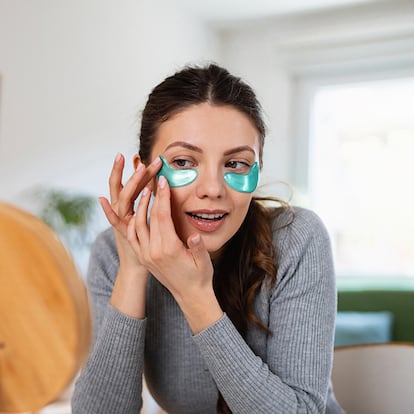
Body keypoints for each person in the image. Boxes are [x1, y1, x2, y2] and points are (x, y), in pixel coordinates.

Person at [71, 63, 344, 414]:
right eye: (184, 161)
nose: (213, 189)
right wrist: (134, 269)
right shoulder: (113, 253)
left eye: (236, 165)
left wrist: (194, 294)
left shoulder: (297, 240)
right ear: (144, 173)